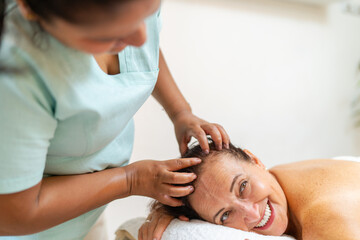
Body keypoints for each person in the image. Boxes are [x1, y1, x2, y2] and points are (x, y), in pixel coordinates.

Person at [0, 0, 230, 239]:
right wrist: (130, 180)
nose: (141, 38)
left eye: (146, 16)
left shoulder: (130, 14)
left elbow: (144, 49)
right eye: (112, 35)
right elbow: (12, 213)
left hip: (89, 208)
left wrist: (181, 112)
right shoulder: (16, 73)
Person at [142, 140, 360, 240]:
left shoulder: (325, 220)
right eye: (225, 215)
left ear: (255, 160)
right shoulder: (278, 178)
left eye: (243, 187)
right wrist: (166, 211)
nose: (252, 215)